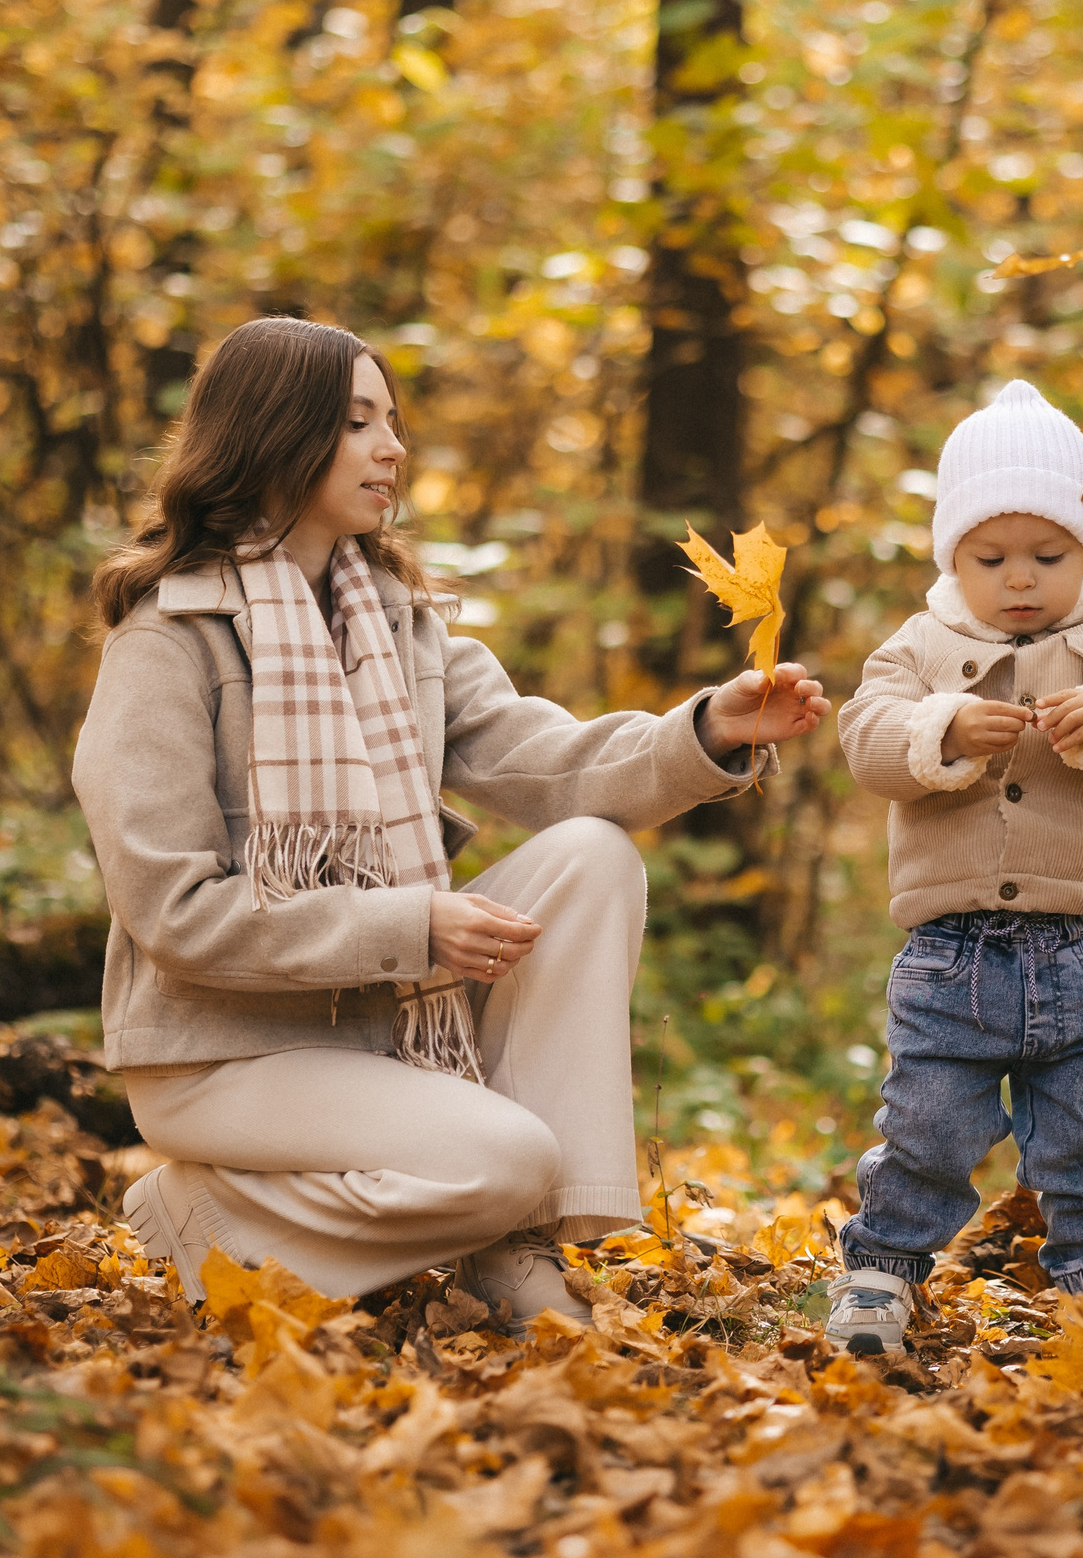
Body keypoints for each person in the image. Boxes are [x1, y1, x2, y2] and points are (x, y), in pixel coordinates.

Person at [72, 317, 828, 1329]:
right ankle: (207, 1214)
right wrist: (411, 926)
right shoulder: (168, 638)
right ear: (274, 432)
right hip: (222, 1050)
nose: (392, 448)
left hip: (374, 1025)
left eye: (393, 422)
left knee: (590, 855)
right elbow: (172, 908)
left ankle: (514, 1248)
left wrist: (704, 731)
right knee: (507, 1156)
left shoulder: (394, 619)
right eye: (356, 423)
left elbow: (548, 763)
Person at [831, 380, 1083, 1361]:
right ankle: (880, 1272)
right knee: (926, 1122)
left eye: (1049, 556)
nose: (1021, 579)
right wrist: (940, 727)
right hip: (950, 949)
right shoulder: (917, 647)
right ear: (952, 555)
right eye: (991, 558)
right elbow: (867, 743)